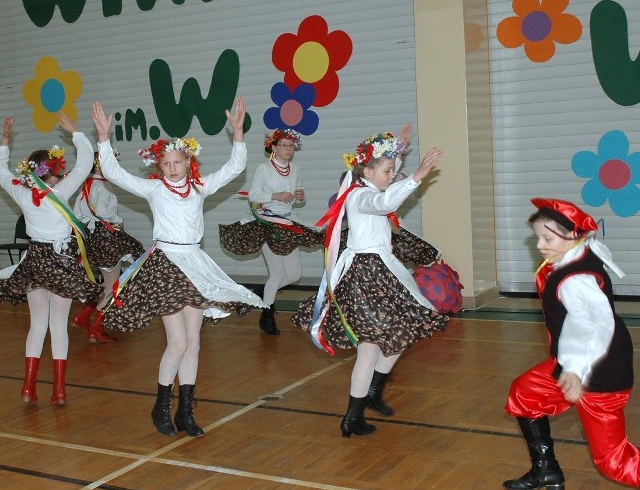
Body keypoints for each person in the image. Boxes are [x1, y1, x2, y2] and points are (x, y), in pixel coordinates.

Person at [90, 99, 264, 438]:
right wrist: (103, 138)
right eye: (166, 163)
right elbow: (113, 173)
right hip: (166, 265)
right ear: (159, 165)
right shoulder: (154, 189)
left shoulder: (198, 187)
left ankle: (186, 411)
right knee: (179, 341)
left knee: (194, 343)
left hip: (194, 264)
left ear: (188, 161)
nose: (172, 167)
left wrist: (239, 134)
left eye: (177, 161)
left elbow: (233, 168)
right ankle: (160, 405)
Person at [293, 131, 447, 437]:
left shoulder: (368, 184)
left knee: (401, 333)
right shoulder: (359, 195)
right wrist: (416, 176)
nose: (392, 175)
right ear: (367, 172)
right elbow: (384, 200)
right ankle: (353, 416)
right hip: (366, 276)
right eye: (388, 171)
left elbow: (385, 186)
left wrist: (398, 150)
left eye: (393, 170)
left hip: (382, 270)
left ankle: (373, 391)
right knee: (368, 348)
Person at [503, 198, 638, 490]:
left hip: (597, 371)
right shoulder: (578, 253)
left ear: (571, 236)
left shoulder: (576, 280)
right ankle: (546, 470)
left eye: (547, 238)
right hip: (573, 363)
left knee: (615, 462)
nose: (540, 245)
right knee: (525, 393)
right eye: (538, 237)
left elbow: (592, 325)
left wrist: (575, 370)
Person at [0, 114, 101, 406]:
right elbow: (85, 164)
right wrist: (76, 133)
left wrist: (5, 141)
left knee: (37, 326)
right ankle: (58, 391)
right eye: (59, 169)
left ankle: (27, 387)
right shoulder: (61, 190)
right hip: (60, 263)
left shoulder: (22, 193)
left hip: (35, 262)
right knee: (57, 327)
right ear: (53, 172)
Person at [218, 129, 323, 335]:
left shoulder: (295, 169)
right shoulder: (264, 169)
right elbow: (253, 195)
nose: (288, 149)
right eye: (283, 145)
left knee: (294, 274)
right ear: (273, 148)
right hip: (267, 223)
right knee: (276, 274)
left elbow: (297, 195)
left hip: (288, 222)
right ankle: (267, 315)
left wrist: (300, 196)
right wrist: (275, 195)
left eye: (291, 146)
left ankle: (266, 293)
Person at [71, 147, 144, 343]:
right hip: (106, 239)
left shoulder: (86, 185)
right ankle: (95, 327)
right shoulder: (103, 187)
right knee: (113, 284)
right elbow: (103, 211)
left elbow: (76, 214)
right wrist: (116, 219)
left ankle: (84, 318)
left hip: (92, 238)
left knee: (107, 283)